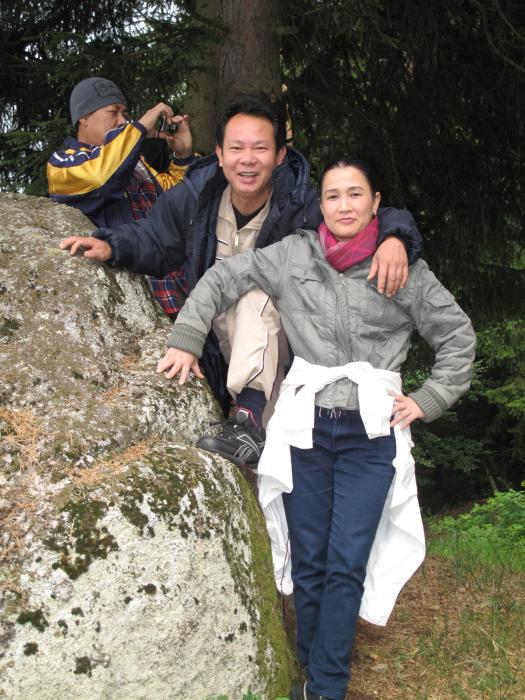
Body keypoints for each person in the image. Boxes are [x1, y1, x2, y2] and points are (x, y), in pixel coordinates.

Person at [155, 156, 476, 700]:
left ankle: (327, 687)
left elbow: (457, 336)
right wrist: (185, 337)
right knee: (308, 560)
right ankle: (309, 669)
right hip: (305, 427)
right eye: (332, 195)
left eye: (356, 194)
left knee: (346, 563)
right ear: (319, 204)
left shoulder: (401, 267)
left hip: (370, 434)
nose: (344, 205)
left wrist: (430, 399)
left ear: (376, 203)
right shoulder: (294, 255)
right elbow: (222, 277)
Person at [59, 96, 423, 468]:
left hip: (289, 349)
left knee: (256, 290)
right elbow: (154, 238)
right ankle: (250, 426)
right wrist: (111, 245)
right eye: (236, 148)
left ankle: (249, 418)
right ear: (219, 153)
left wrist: (394, 238)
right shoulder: (196, 197)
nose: (247, 160)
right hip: (218, 350)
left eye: (260, 148)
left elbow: (364, 215)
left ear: (279, 155)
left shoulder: (302, 206)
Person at [48, 76, 195, 319]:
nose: (123, 120)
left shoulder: (135, 161)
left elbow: (176, 202)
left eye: (125, 114)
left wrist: (182, 157)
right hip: (133, 302)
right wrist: (140, 128)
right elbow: (100, 177)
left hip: (181, 292)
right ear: (83, 118)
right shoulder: (63, 163)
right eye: (113, 112)